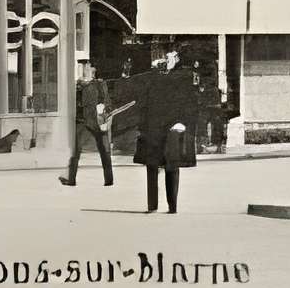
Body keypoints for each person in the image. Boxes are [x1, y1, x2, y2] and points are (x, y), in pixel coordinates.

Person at [133, 49, 199, 215]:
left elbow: (191, 103)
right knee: (152, 166)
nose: (165, 61)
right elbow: (143, 101)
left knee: (172, 166)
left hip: (173, 127)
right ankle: (152, 205)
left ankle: (172, 205)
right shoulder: (152, 78)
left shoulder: (183, 77)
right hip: (153, 127)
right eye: (163, 58)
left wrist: (183, 123)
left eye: (169, 57)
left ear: (176, 59)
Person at [58, 55, 117, 188]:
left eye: (87, 66)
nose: (84, 69)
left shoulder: (99, 84)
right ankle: (71, 179)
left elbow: (107, 101)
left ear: (93, 69)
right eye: (81, 66)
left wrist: (104, 108)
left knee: (105, 151)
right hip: (82, 120)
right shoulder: (77, 85)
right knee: (75, 150)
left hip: (98, 120)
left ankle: (109, 179)